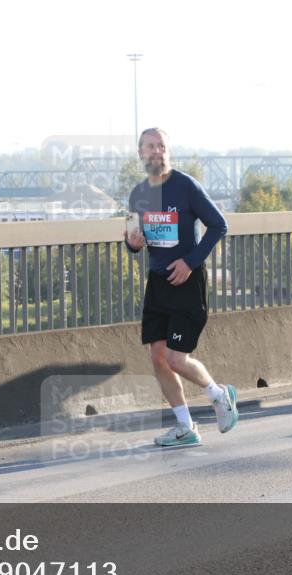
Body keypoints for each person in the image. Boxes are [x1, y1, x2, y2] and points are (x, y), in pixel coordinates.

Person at [123, 127, 237, 446]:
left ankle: (219, 395)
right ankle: (185, 427)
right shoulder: (138, 194)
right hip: (158, 282)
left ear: (167, 152)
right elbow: (132, 239)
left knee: (175, 358)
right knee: (157, 357)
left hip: (187, 282)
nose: (156, 151)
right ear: (140, 153)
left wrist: (190, 262)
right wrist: (132, 243)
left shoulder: (185, 186)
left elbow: (219, 225)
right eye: (150, 146)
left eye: (161, 146)